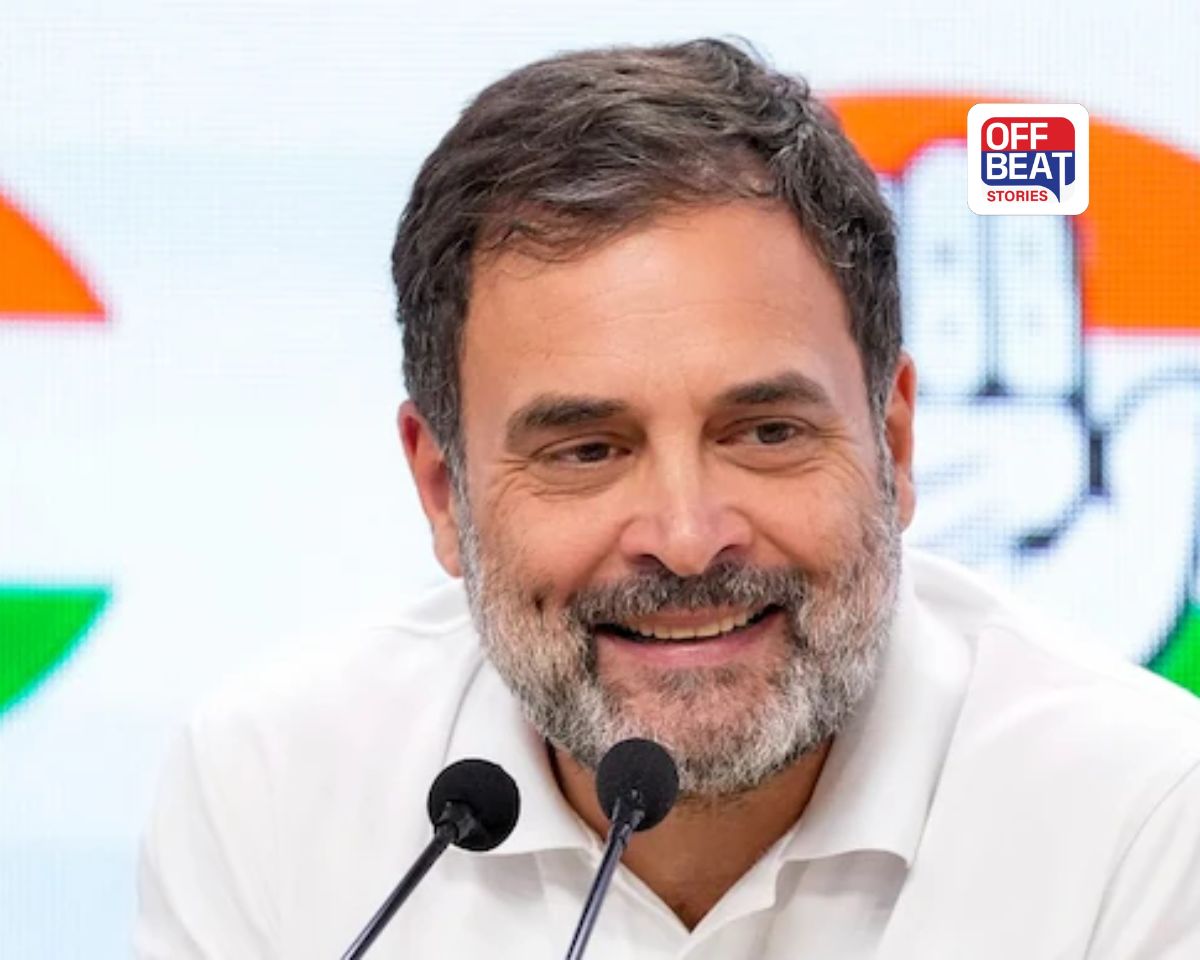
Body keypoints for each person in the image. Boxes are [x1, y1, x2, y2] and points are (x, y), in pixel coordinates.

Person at [134, 38, 1200, 959]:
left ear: (894, 443)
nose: (688, 540)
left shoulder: (1148, 813)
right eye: (587, 451)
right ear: (443, 491)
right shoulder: (271, 791)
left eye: (766, 433)